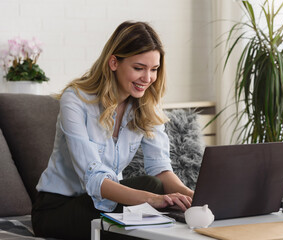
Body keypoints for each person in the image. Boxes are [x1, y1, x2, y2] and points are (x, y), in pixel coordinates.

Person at [31, 21, 194, 240]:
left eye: (153, 69)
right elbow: (94, 179)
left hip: (106, 203)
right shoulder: (76, 99)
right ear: (114, 62)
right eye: (139, 68)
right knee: (151, 194)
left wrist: (197, 197)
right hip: (57, 209)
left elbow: (160, 168)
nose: (147, 79)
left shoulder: (146, 103)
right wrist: (151, 199)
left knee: (156, 186)